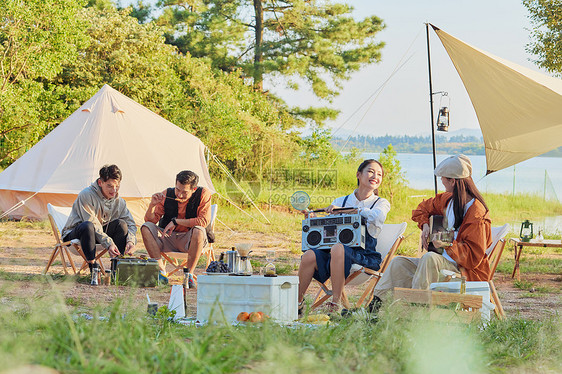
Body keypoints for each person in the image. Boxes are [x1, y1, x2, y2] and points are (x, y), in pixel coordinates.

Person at [370, 154, 492, 310]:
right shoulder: (448, 200)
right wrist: (425, 224)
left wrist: (447, 244)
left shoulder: (477, 213)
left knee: (429, 258)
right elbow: (422, 209)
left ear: (453, 181)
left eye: (443, 178)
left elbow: (473, 258)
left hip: (462, 271)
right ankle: (374, 309)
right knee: (398, 263)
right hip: (439, 266)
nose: (441, 181)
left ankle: (418, 312)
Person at [297, 159, 391, 314]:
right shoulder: (341, 200)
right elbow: (329, 228)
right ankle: (297, 303)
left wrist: (351, 211)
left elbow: (377, 217)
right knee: (309, 254)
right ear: (358, 175)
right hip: (334, 253)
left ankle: (336, 303)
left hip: (363, 254)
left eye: (379, 174)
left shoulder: (381, 203)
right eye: (371, 171)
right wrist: (315, 219)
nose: (375, 176)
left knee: (338, 248)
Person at [141, 170, 212, 287]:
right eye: (177, 189)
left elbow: (203, 221)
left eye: (184, 192)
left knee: (199, 231)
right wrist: (152, 205)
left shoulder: (203, 194)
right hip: (168, 237)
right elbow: (150, 221)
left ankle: (189, 274)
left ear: (193, 190)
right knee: (146, 227)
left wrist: (176, 221)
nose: (179, 195)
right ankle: (161, 272)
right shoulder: (166, 194)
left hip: (190, 240)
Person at [62, 164, 137, 273]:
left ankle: (117, 269)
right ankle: (93, 267)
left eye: (117, 186)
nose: (114, 190)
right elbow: (93, 223)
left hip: (99, 235)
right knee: (88, 226)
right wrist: (109, 243)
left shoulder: (119, 202)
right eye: (110, 186)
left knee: (121, 224)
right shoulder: (86, 195)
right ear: (100, 183)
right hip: (77, 234)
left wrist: (131, 241)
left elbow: (131, 224)